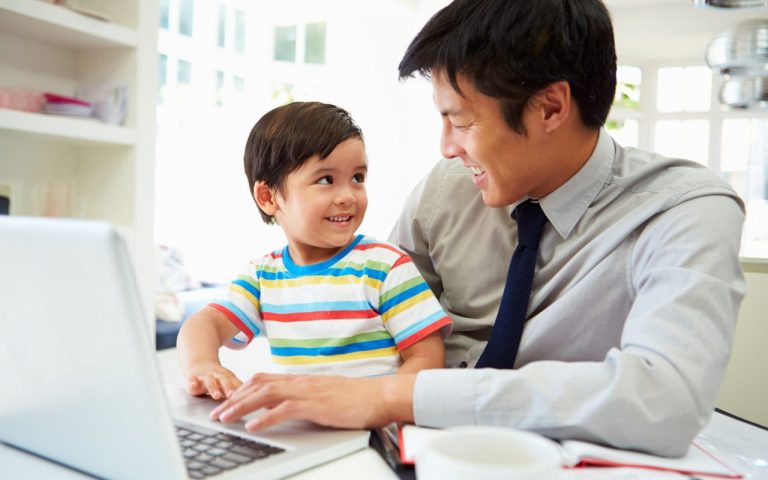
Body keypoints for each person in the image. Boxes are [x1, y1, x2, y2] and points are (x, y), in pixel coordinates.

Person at [209, 0, 745, 457]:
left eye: (462, 121)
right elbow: (371, 310)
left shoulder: (685, 210)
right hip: (403, 450)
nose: (447, 147)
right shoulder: (446, 189)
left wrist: (395, 396)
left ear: (550, 107)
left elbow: (666, 400)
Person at [177, 102, 452, 400]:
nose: (348, 196)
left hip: (374, 428)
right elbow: (203, 324)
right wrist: (203, 365)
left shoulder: (385, 266)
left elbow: (427, 358)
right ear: (268, 197)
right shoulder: (262, 277)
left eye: (358, 178)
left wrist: (374, 401)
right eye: (326, 180)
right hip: (301, 428)